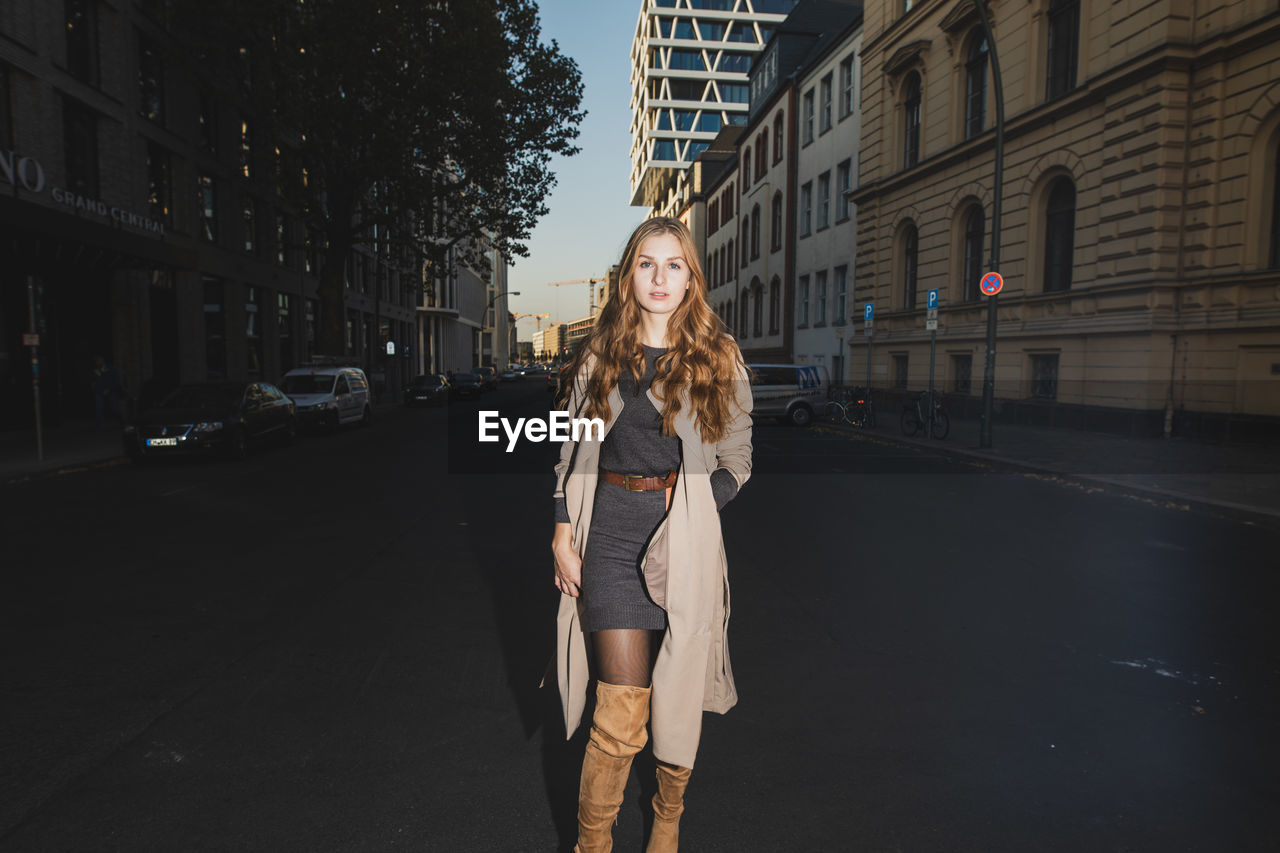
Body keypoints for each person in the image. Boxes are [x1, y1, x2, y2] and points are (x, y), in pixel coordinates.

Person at [551, 217, 753, 852]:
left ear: (691, 277)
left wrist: (693, 507)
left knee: (676, 698)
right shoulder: (598, 352)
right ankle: (593, 847)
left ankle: (665, 822)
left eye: (674, 264)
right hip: (608, 535)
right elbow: (569, 449)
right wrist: (561, 526)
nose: (660, 277)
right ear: (627, 275)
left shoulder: (718, 354)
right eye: (647, 263)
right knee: (618, 715)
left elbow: (738, 461)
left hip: (684, 540)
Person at [91, 355, 123, 428]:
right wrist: (95, 388)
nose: (98, 362)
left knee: (114, 407)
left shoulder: (111, 368)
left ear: (103, 360)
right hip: (99, 392)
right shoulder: (95, 370)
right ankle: (100, 425)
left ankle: (121, 421)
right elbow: (93, 380)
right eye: (96, 361)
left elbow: (116, 380)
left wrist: (109, 389)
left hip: (111, 391)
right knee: (99, 408)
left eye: (99, 360)